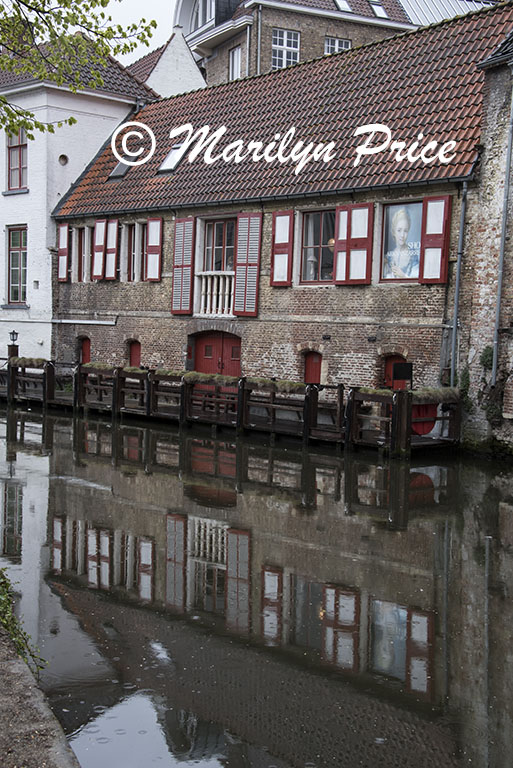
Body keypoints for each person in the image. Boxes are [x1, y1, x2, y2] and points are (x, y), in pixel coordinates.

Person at [383, 208, 419, 279]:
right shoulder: (389, 256)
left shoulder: (413, 255)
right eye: (399, 230)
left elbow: (416, 278)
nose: (402, 235)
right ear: (394, 232)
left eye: (405, 231)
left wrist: (403, 275)